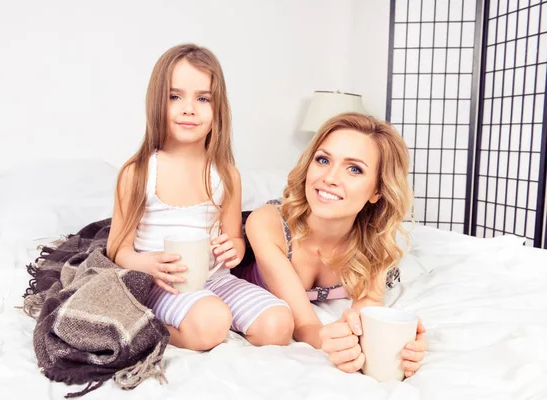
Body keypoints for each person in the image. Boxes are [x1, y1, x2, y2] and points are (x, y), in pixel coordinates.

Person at [107, 43, 292, 351]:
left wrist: (233, 248)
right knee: (211, 322)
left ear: (216, 108)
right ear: (157, 103)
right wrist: (146, 263)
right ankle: (149, 328)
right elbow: (117, 248)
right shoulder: (138, 172)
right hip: (165, 285)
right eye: (175, 96)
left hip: (218, 280)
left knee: (279, 324)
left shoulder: (226, 175)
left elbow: (234, 239)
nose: (189, 108)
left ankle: (208, 319)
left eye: (203, 98)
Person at [235, 112, 427, 377]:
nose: (330, 178)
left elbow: (365, 314)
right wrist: (328, 341)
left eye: (354, 169)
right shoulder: (266, 224)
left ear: (377, 191)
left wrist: (400, 345)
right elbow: (304, 325)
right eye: (323, 160)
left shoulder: (375, 244)